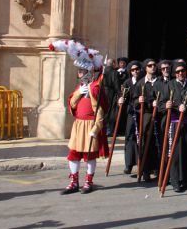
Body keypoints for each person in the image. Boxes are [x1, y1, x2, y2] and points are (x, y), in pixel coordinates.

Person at [50, 40, 109, 194]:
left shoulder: (96, 88)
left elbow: (101, 111)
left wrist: (96, 129)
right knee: (73, 154)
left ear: (89, 72)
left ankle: (88, 181)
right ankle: (73, 181)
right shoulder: (80, 87)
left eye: (82, 72)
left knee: (89, 155)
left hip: (90, 125)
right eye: (79, 72)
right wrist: (78, 94)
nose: (79, 74)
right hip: (78, 125)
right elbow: (72, 106)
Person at [158, 60, 187, 192]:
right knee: (175, 153)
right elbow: (161, 104)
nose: (180, 73)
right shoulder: (169, 85)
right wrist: (170, 105)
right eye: (178, 72)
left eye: (182, 71)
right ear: (174, 73)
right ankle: (175, 181)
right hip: (174, 123)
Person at [131, 58, 162, 182]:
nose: (153, 67)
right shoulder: (140, 84)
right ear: (145, 68)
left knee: (158, 142)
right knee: (145, 142)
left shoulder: (160, 82)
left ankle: (158, 169)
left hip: (159, 114)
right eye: (150, 65)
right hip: (146, 116)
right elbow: (133, 101)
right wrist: (138, 101)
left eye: (154, 65)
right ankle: (145, 170)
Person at [120, 60, 143, 174]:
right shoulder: (127, 82)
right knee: (130, 136)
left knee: (141, 137)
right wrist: (120, 100)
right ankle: (128, 164)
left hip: (141, 112)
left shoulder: (143, 82)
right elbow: (123, 96)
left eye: (137, 69)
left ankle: (141, 164)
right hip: (131, 112)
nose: (135, 72)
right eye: (133, 70)